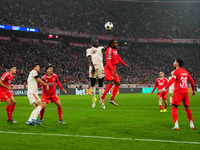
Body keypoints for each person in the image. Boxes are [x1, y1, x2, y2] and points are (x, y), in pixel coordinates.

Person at [158, 59, 196, 130]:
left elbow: (172, 80)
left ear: (177, 64)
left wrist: (164, 89)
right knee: (187, 108)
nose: (173, 63)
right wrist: (193, 90)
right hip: (185, 91)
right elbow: (192, 82)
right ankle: (192, 125)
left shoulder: (175, 72)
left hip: (178, 91)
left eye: (175, 62)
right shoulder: (186, 72)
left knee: (174, 107)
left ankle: (176, 126)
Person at [100, 39, 131, 109]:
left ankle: (112, 99)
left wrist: (125, 64)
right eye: (115, 43)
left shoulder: (115, 50)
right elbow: (108, 62)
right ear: (111, 44)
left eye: (117, 43)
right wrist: (113, 69)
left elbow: (118, 57)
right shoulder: (109, 50)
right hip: (109, 68)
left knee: (117, 83)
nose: (117, 44)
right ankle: (102, 98)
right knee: (111, 83)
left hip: (114, 68)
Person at [86, 39, 105, 108]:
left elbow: (104, 50)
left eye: (97, 42)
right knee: (92, 84)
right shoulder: (89, 50)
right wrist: (93, 67)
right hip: (92, 67)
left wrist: (109, 45)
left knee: (101, 84)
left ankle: (102, 101)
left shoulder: (101, 48)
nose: (96, 43)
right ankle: (94, 100)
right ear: (92, 43)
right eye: (95, 42)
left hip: (100, 67)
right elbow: (89, 59)